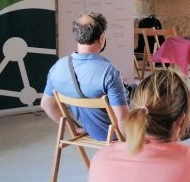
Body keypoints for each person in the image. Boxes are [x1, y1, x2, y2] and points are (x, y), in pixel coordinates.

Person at [41, 12, 130, 141]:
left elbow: (46, 104)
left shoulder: (57, 68)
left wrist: (74, 128)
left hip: (90, 131)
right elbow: (122, 119)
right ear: (101, 38)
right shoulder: (109, 72)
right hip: (114, 134)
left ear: (76, 37)